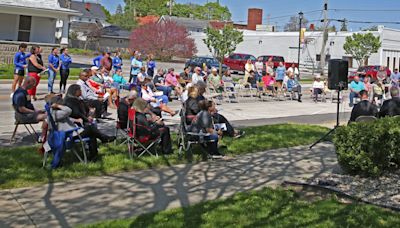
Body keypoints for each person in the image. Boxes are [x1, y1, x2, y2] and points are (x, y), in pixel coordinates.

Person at [50, 95, 115, 162]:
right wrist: (58, 106)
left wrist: (76, 120)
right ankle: (103, 139)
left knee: (92, 134)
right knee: (90, 128)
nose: (63, 104)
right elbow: (69, 110)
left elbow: (66, 118)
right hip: (70, 135)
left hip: (70, 133)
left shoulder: (56, 113)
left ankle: (93, 156)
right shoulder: (56, 113)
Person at [12, 76, 47, 141]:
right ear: (28, 82)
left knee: (48, 113)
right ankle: (43, 138)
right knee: (47, 116)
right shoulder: (20, 94)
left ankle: (46, 135)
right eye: (33, 84)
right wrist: (34, 112)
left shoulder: (25, 91)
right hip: (23, 116)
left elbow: (28, 105)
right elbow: (21, 109)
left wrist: (38, 110)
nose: (33, 86)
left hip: (28, 113)